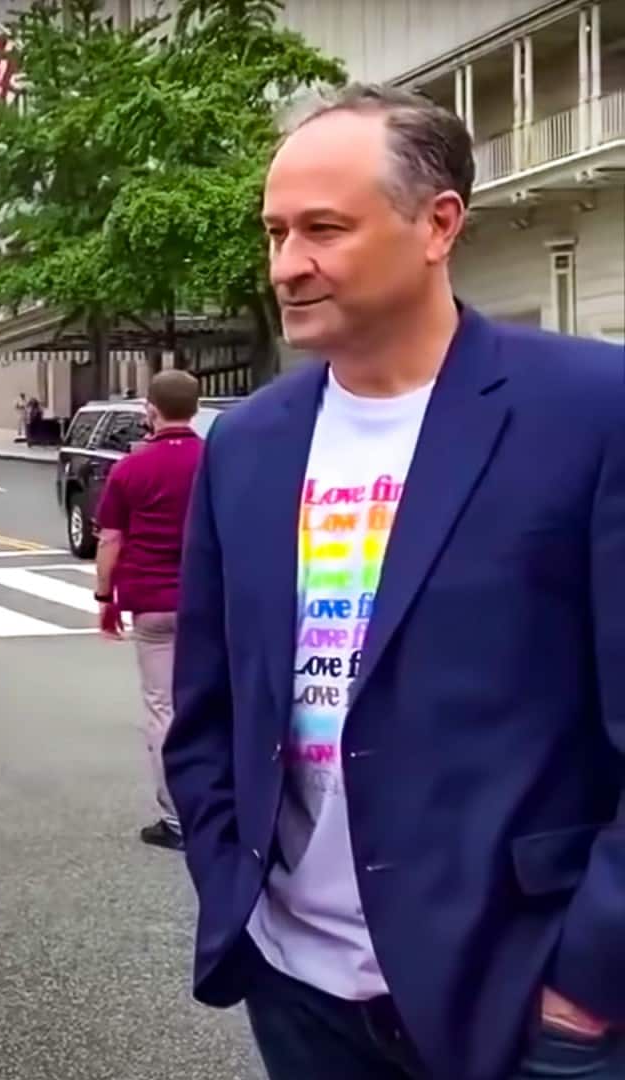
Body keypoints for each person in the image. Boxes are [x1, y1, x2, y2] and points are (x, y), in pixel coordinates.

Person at [165, 85, 625, 1080]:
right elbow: (206, 708)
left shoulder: (590, 412)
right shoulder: (243, 444)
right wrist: (229, 884)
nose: (286, 264)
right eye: (275, 232)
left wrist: (586, 983)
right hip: (300, 993)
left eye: (322, 229)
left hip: (524, 997)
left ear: (437, 224)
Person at [91, 369, 204, 854]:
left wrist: (104, 598)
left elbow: (111, 539)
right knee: (217, 704)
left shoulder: (130, 469)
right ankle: (224, 810)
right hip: (211, 601)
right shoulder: (217, 460)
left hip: (154, 605)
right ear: (195, 409)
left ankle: (176, 819)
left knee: (163, 709)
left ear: (150, 411)